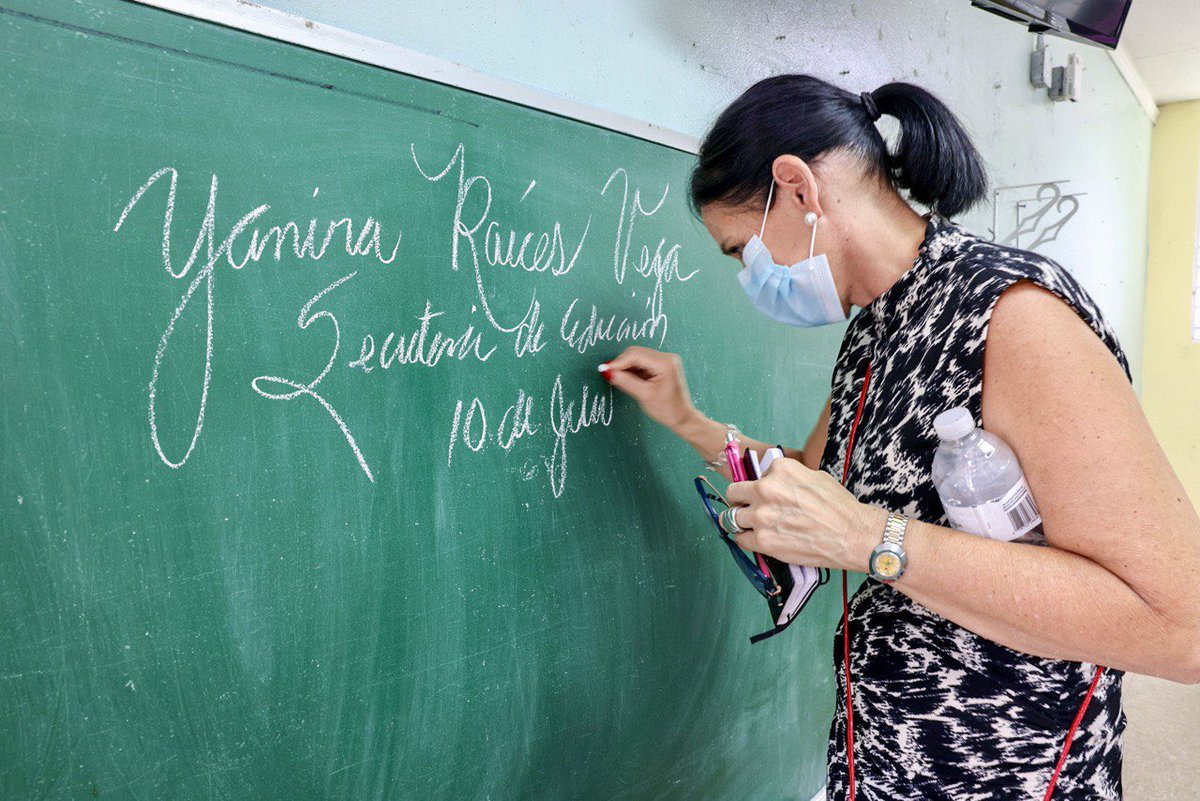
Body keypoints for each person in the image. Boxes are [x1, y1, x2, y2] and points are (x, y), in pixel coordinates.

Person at [600, 75, 1200, 800]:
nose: (747, 276)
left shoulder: (1011, 314)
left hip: (1005, 775)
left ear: (796, 188)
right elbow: (814, 488)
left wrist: (873, 540)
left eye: (740, 250)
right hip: (878, 759)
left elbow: (1179, 625)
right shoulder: (873, 331)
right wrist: (688, 420)